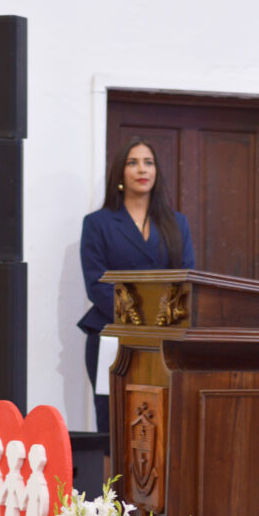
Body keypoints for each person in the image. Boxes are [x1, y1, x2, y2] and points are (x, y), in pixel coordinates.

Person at [78, 137, 196, 432]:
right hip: (113, 336)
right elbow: (97, 284)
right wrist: (139, 324)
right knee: (114, 425)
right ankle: (111, 482)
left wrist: (158, 326)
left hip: (164, 340)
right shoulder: (98, 223)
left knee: (161, 427)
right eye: (133, 162)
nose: (142, 169)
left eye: (149, 162)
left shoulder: (176, 222)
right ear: (120, 172)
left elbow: (186, 280)